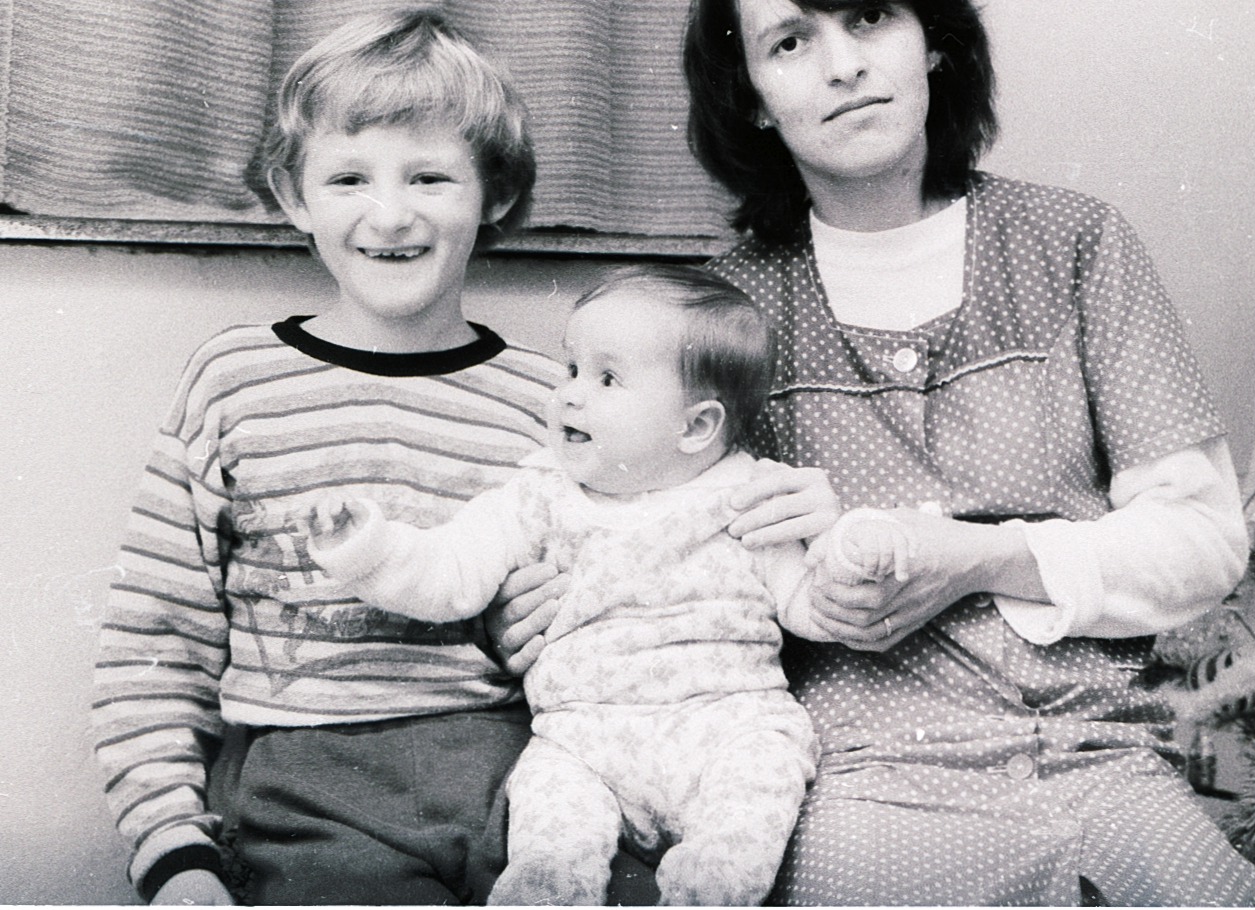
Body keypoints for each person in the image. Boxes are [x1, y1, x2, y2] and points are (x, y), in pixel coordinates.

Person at [90, 12, 835, 905]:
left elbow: (645, 604)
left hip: (517, 767)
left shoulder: (557, 408)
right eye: (349, 177)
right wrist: (173, 852)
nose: (391, 212)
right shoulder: (233, 382)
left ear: (494, 197)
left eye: (432, 176)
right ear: (295, 197)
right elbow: (154, 645)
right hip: (307, 782)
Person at [679, 0, 1255, 905]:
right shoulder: (725, 310)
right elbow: (684, 587)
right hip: (863, 776)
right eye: (790, 41)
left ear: (934, 38)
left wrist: (988, 558)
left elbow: (1203, 546)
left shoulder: (1078, 245)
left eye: (869, 15)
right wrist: (805, 582)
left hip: (1099, 756)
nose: (843, 66)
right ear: (751, 95)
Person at [305, 265, 885, 906]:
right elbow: (450, 575)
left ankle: (711, 891)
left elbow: (807, 605)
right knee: (550, 827)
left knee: (759, 786)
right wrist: (368, 547)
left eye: (606, 379)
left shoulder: (748, 498)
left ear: (695, 428)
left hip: (727, 724)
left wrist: (846, 560)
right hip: (583, 739)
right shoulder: (538, 495)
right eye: (571, 369)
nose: (570, 396)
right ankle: (548, 890)